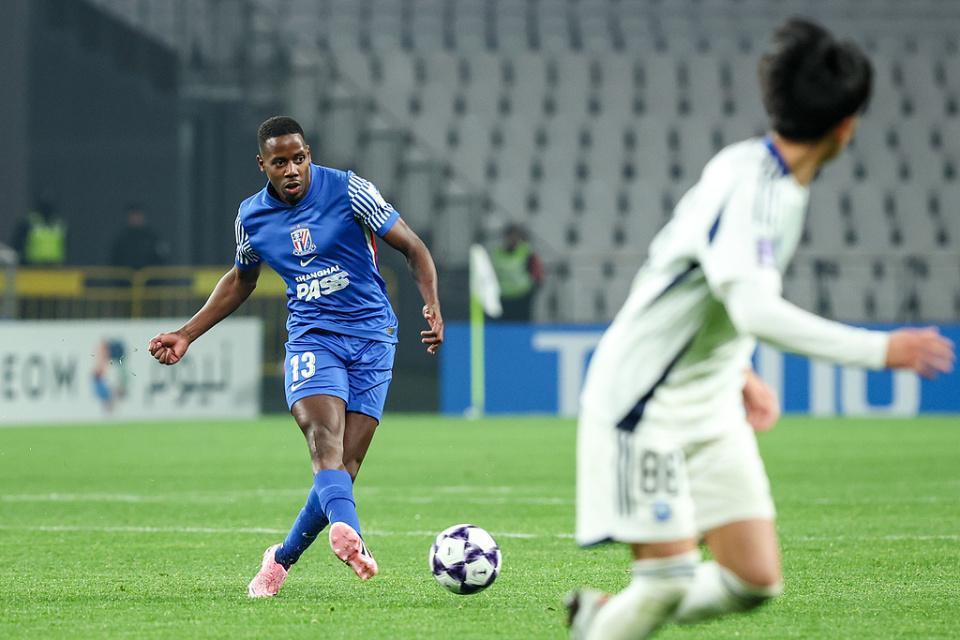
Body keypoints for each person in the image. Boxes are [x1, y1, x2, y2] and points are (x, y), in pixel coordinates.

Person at [565, 19, 955, 639]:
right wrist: (881, 349)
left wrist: (737, 370)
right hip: (647, 403)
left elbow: (700, 286)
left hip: (710, 400)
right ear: (846, 127)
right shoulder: (754, 189)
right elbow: (754, 310)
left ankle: (600, 617)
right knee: (666, 582)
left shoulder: (757, 173)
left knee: (752, 579)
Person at [148, 116, 444, 597]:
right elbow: (241, 280)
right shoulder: (251, 217)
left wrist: (431, 304)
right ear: (262, 164)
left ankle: (280, 559)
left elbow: (413, 247)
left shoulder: (350, 191)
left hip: (372, 337)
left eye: (299, 158)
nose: (291, 170)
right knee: (323, 439)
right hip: (312, 338)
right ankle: (351, 533)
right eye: (280, 162)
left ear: (309, 155)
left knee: (346, 466)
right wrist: (187, 334)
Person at [491, 223, 543, 321]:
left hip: (523, 296)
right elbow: (492, 274)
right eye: (510, 236)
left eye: (515, 236)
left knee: (522, 323)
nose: (512, 239)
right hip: (504, 297)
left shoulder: (526, 252)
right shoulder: (497, 253)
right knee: (505, 324)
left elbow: (537, 271)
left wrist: (534, 289)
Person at [10, 199, 67, 266]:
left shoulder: (59, 224)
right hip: (34, 266)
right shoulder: (29, 223)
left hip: (56, 267)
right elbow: (17, 244)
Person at [109, 204, 166, 270]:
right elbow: (114, 260)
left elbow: (162, 259)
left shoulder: (153, 238)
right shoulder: (121, 239)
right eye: (133, 216)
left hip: (150, 275)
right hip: (125, 275)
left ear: (144, 217)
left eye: (138, 215)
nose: (135, 219)